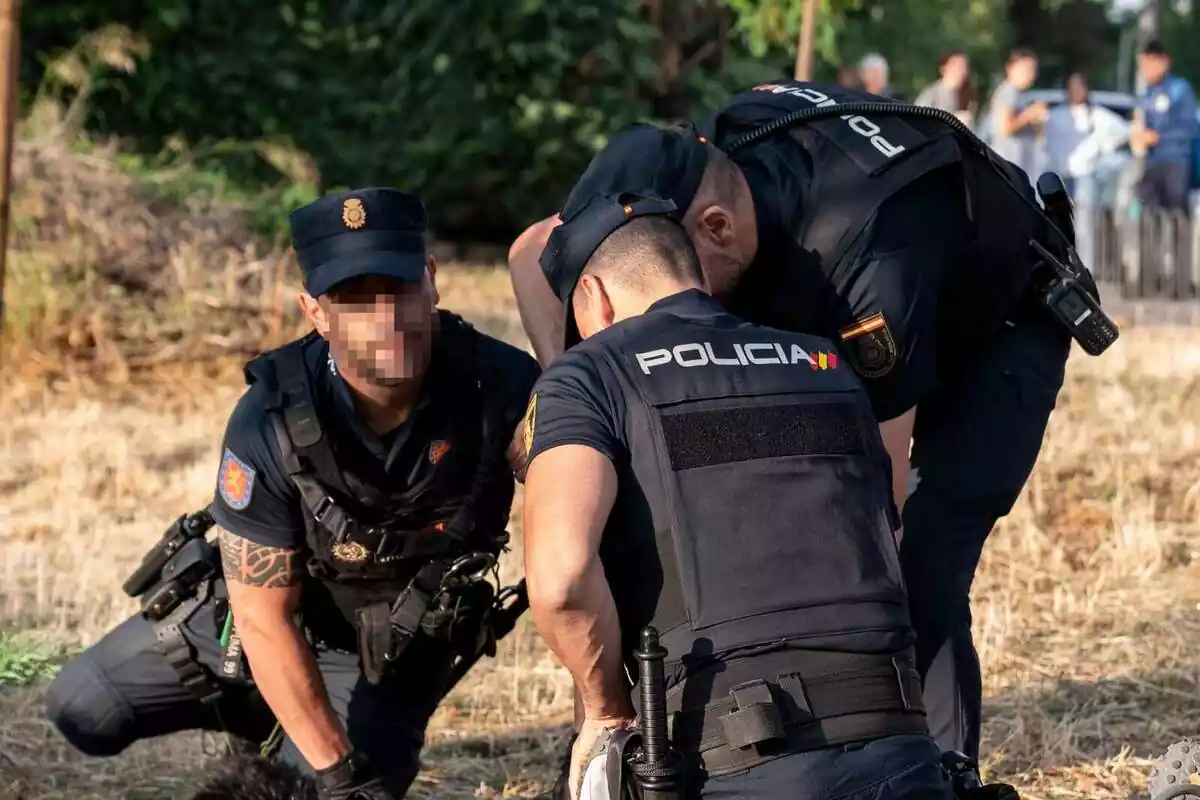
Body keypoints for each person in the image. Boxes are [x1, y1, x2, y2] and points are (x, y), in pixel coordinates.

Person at [507, 79, 1088, 762]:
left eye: (670, 262)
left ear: (713, 231)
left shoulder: (868, 264)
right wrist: (578, 405)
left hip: (996, 327)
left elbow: (877, 488)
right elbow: (531, 252)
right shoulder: (681, 174)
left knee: (909, 566)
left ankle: (933, 763)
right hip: (824, 288)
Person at [45, 187, 540, 799]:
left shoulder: (506, 387)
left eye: (399, 289)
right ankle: (263, 711)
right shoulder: (269, 415)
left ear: (432, 281)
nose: (384, 317)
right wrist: (338, 775)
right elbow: (260, 615)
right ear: (315, 312)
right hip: (258, 623)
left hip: (387, 652)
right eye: (355, 299)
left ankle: (305, 721)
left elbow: (578, 521)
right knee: (81, 707)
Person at [520, 192, 955, 800]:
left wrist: (607, 714)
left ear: (593, 295)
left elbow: (562, 578)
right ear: (692, 269)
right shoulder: (826, 361)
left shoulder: (591, 373)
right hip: (901, 744)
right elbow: (884, 524)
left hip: (732, 758)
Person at [1043, 73, 1130, 269]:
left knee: (1084, 224)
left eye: (1079, 86)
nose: (1076, 91)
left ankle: (1085, 267)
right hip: (1061, 175)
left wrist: (1102, 149)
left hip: (1085, 175)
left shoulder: (1096, 115)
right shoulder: (1056, 115)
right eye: (1072, 86)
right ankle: (1061, 265)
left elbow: (1124, 132)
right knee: (1060, 222)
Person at [1132, 40, 1197, 215]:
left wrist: (1158, 136)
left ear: (1163, 61)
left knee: (1176, 217)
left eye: (1148, 64)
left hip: (1175, 162)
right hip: (1153, 163)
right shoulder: (1147, 93)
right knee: (1149, 212)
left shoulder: (1179, 89)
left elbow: (1189, 128)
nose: (1145, 70)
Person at [985, 48, 1047, 181]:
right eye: (1025, 69)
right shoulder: (1008, 92)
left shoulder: (1019, 95)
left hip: (1020, 165)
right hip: (1009, 164)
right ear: (1010, 69)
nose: (1030, 74)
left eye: (1033, 70)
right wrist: (1029, 114)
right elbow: (1005, 128)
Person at [915, 52, 976, 128]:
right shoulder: (931, 94)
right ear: (943, 69)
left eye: (965, 68)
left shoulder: (963, 95)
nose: (962, 72)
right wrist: (955, 120)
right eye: (957, 67)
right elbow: (919, 122)